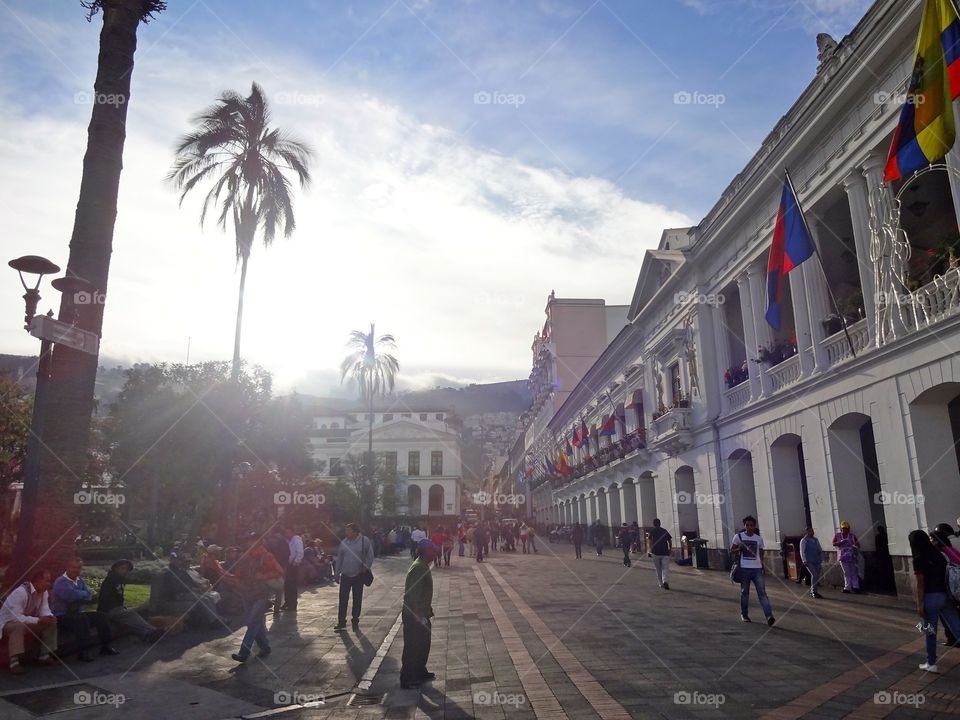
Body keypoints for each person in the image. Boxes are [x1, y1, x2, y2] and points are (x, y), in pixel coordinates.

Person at [909, 529, 960, 673]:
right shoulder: (939, 554)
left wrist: (920, 605)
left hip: (930, 597)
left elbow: (921, 584)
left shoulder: (918, 559)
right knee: (957, 627)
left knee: (930, 632)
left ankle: (931, 663)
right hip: (945, 595)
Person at [51, 558, 118, 661]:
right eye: (73, 567)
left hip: (76, 613)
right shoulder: (60, 582)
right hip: (61, 615)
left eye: (78, 568)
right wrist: (82, 594)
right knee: (81, 619)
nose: (76, 570)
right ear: (67, 568)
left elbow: (89, 595)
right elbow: (70, 596)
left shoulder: (79, 581)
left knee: (101, 616)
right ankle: (83, 652)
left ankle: (106, 646)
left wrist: (80, 594)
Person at [231, 533, 283, 663]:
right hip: (246, 594)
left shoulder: (267, 556)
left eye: (252, 541)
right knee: (254, 622)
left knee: (253, 622)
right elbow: (238, 573)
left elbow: (279, 571)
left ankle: (244, 652)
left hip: (260, 594)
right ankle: (265, 647)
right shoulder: (245, 557)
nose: (249, 543)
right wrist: (238, 583)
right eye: (249, 541)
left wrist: (263, 576)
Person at [0, 569, 58, 674]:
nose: (49, 584)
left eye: (50, 581)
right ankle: (14, 662)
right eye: (47, 581)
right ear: (37, 581)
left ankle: (44, 655)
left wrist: (48, 617)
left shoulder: (43, 592)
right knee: (18, 626)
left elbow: (44, 609)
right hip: (7, 623)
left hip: (26, 621)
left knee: (51, 622)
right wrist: (38, 620)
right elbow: (16, 617)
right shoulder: (20, 593)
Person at [400, 539, 436, 689]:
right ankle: (407, 677)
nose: (435, 553)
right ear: (425, 551)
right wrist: (417, 615)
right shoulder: (419, 567)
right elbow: (413, 593)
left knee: (423, 643)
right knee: (413, 646)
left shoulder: (422, 565)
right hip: (415, 614)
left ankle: (420, 671)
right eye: (432, 550)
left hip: (421, 612)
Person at [96, 560, 162, 642]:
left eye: (126, 569)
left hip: (117, 608)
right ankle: (152, 631)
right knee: (129, 614)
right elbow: (104, 598)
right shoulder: (110, 580)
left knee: (135, 612)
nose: (125, 571)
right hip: (108, 610)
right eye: (122, 568)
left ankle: (147, 634)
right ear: (115, 569)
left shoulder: (120, 580)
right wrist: (107, 612)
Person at [731, 516, 775, 626]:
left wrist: (762, 566)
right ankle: (744, 614)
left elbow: (761, 553)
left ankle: (769, 616)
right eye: (747, 525)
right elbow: (731, 550)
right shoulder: (738, 537)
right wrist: (739, 548)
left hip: (757, 569)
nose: (749, 527)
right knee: (744, 593)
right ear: (744, 526)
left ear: (754, 526)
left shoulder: (758, 539)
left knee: (762, 594)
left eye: (751, 525)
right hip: (744, 568)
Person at [335, 523, 374, 631]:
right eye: (346, 531)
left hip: (358, 575)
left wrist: (366, 567)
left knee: (357, 598)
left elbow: (370, 556)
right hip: (345, 575)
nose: (346, 533)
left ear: (355, 532)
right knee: (343, 599)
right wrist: (337, 573)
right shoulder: (344, 543)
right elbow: (339, 559)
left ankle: (355, 619)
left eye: (348, 531)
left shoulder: (364, 541)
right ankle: (341, 621)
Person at [931, 523, 960, 647]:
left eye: (932, 540)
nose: (930, 542)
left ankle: (952, 638)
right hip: (956, 587)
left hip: (951, 588)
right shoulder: (952, 549)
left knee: (947, 615)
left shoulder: (941, 553)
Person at [264, 530, 290, 615]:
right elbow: (288, 554)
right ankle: (276, 609)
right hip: (279, 567)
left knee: (265, 590)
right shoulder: (283, 542)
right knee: (279, 589)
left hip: (267, 570)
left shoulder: (267, 542)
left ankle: (264, 607)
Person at [832, 521, 861, 594]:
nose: (845, 530)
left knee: (854, 572)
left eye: (846, 528)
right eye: (843, 528)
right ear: (841, 529)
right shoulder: (837, 535)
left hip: (852, 556)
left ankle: (856, 587)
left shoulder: (852, 536)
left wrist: (855, 546)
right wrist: (841, 542)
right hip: (843, 557)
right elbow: (834, 543)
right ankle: (847, 587)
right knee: (846, 572)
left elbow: (858, 545)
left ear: (848, 529)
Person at [282, 527, 304, 612]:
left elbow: (300, 553)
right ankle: (287, 602)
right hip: (287, 564)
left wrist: (295, 562)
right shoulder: (288, 540)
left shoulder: (297, 540)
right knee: (287, 585)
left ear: (292, 532)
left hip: (293, 565)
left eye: (288, 532)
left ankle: (293, 604)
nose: (287, 534)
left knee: (292, 585)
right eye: (286, 532)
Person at [799, 527, 824, 599]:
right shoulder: (804, 540)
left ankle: (814, 590)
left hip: (817, 560)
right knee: (814, 575)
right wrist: (804, 560)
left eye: (812, 531)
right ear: (807, 532)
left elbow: (819, 549)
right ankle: (813, 591)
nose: (812, 532)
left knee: (817, 576)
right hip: (809, 561)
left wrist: (821, 557)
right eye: (810, 531)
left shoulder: (815, 540)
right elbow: (802, 551)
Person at [647, 519, 672, 589]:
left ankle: (660, 583)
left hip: (655, 553)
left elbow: (649, 541)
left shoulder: (652, 531)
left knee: (658, 568)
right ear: (660, 523)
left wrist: (649, 550)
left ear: (653, 524)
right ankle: (665, 581)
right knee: (665, 568)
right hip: (665, 552)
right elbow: (669, 540)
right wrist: (670, 549)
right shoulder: (664, 530)